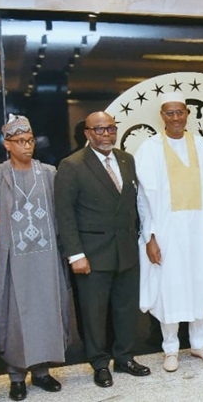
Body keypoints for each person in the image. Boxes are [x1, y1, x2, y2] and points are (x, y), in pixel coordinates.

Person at [54, 111, 150, 388]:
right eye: (99, 130)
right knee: (94, 313)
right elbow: (65, 214)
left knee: (125, 309)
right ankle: (98, 363)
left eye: (110, 128)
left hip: (126, 249)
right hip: (92, 253)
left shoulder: (126, 159)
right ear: (87, 133)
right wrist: (75, 254)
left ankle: (124, 357)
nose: (106, 134)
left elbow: (133, 204)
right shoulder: (72, 165)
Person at [135, 92, 203, 371]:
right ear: (162, 116)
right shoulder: (149, 149)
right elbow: (143, 199)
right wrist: (149, 237)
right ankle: (171, 349)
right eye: (169, 113)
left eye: (180, 112)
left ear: (187, 114)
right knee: (170, 288)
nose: (175, 118)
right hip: (166, 230)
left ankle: (200, 345)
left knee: (199, 282)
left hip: (199, 229)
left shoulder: (200, 145)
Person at [0, 115, 71, 400]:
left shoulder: (49, 172)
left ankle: (43, 372)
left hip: (46, 258)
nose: (27, 146)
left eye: (30, 141)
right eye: (20, 142)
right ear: (7, 145)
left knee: (47, 310)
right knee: (15, 316)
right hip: (13, 260)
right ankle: (16, 376)